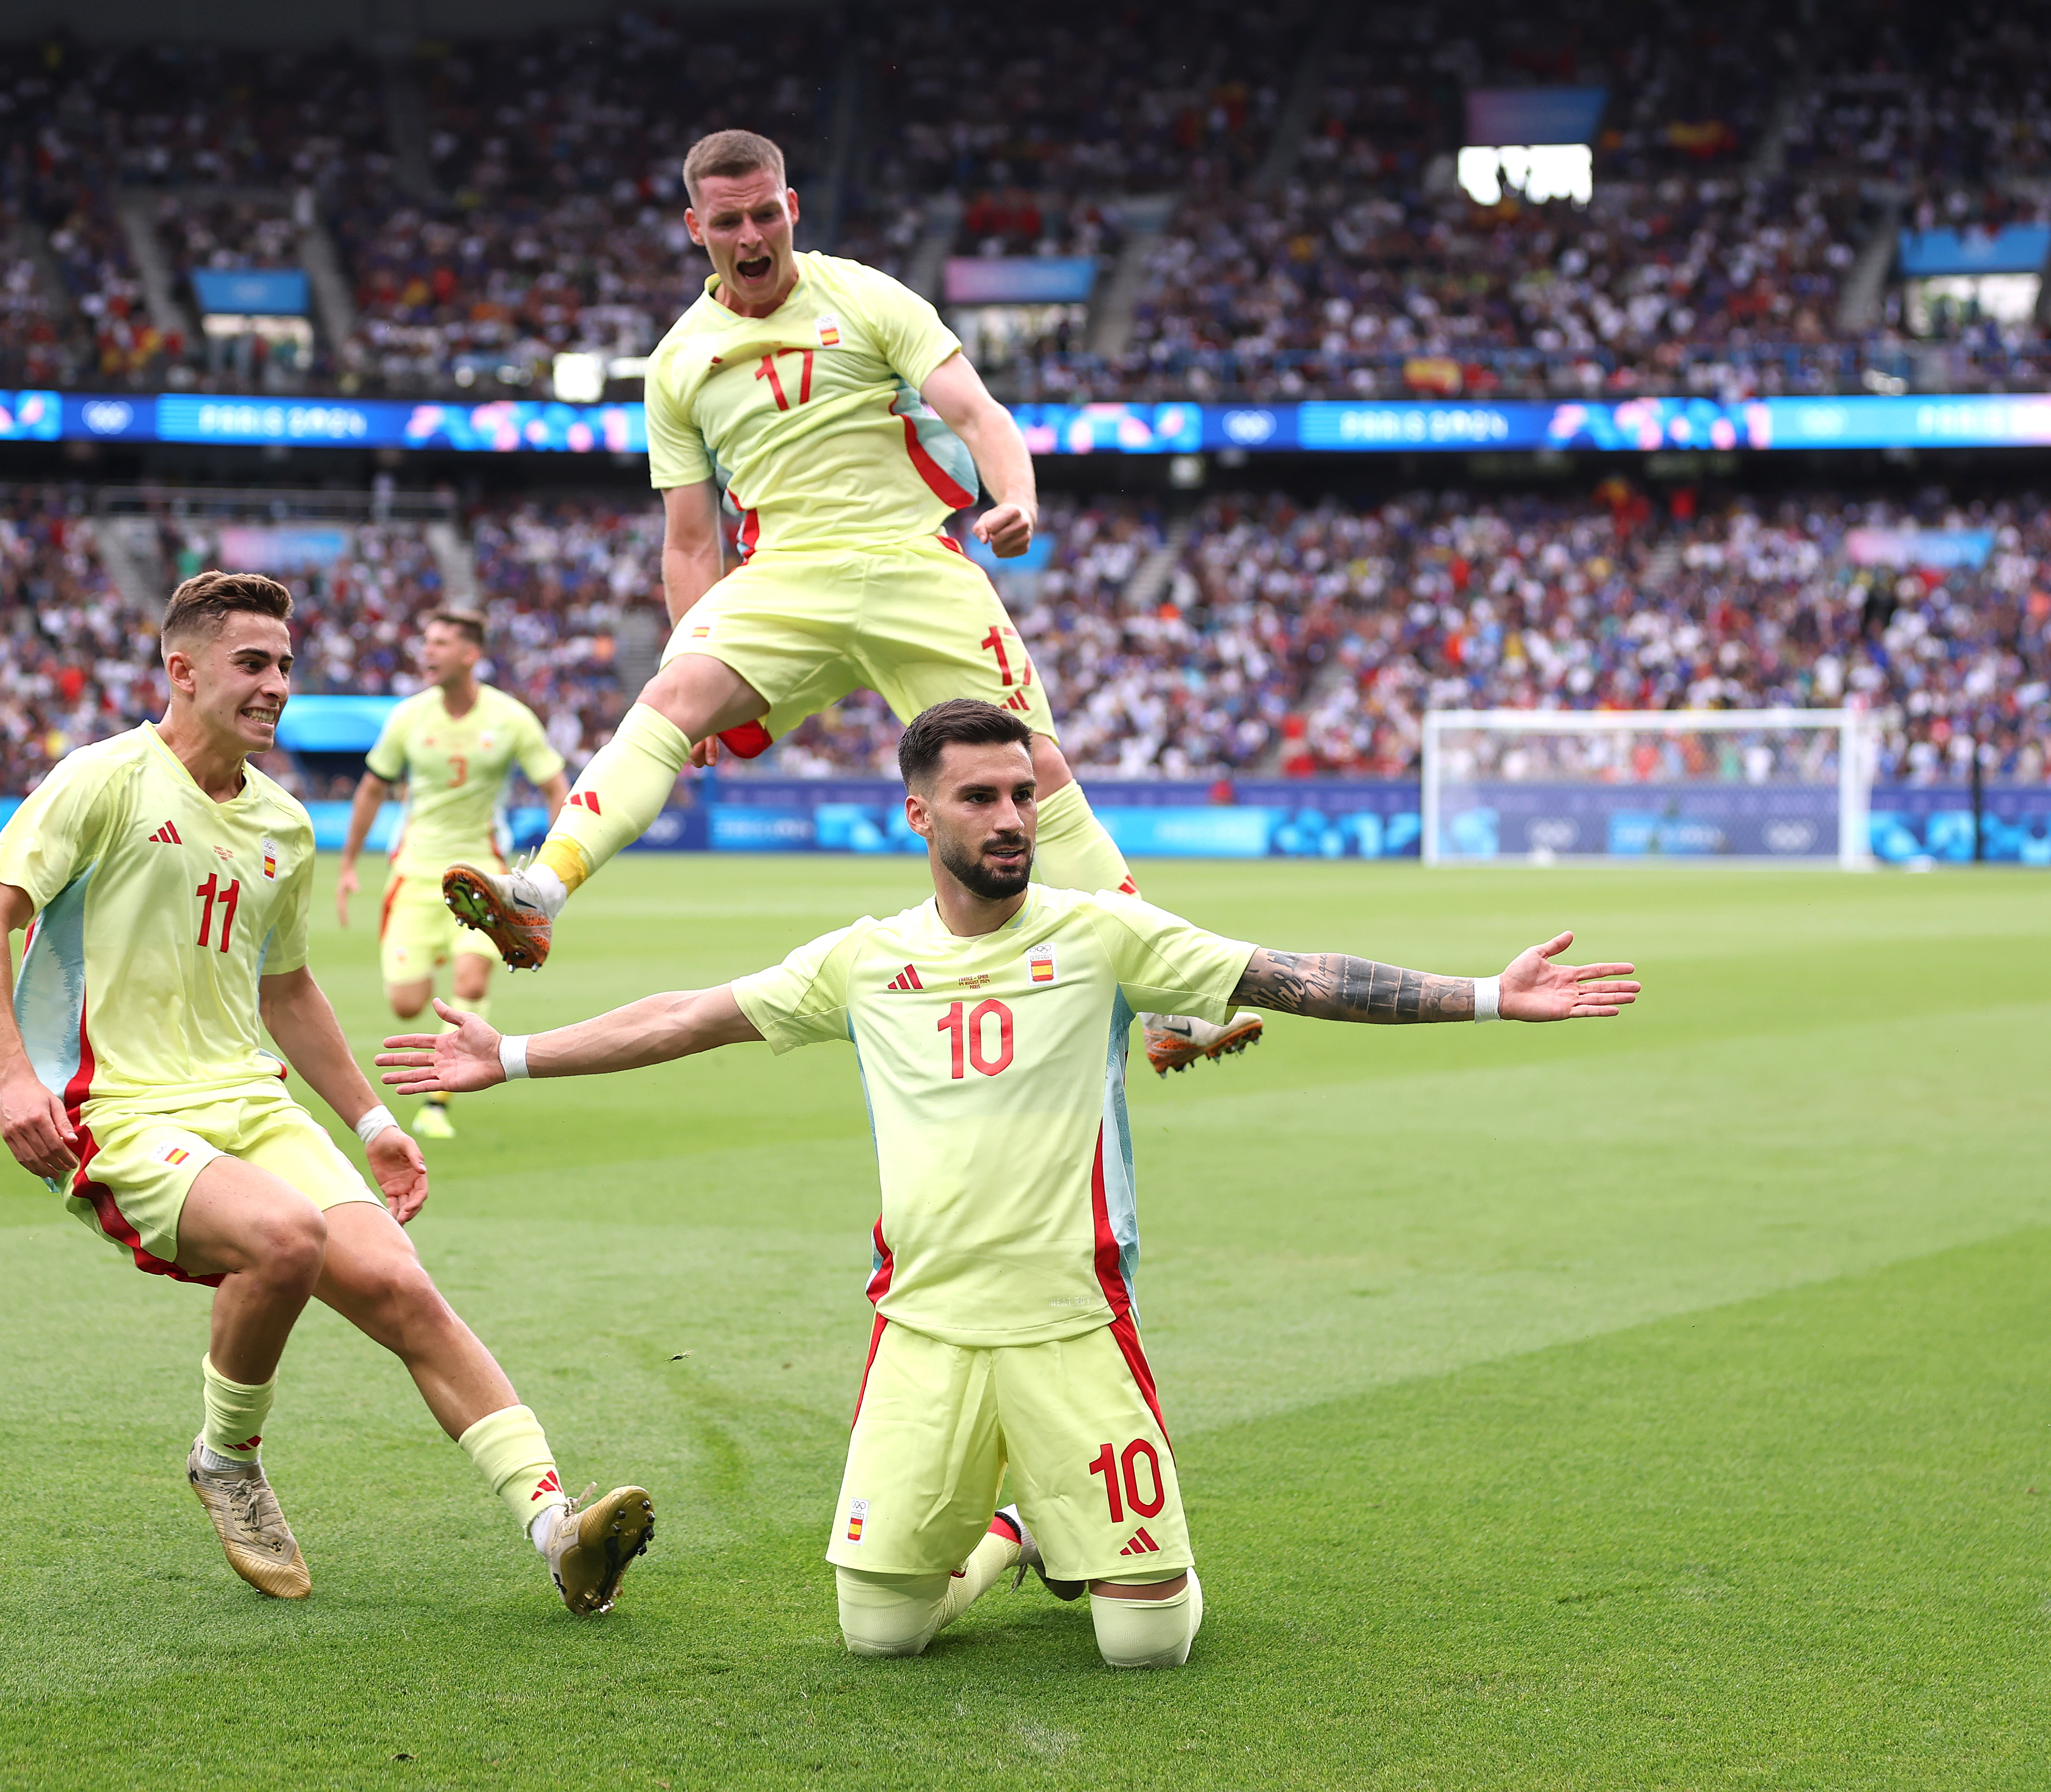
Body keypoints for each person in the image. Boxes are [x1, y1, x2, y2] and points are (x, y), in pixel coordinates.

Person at [385, 698, 1639, 1667]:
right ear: (919, 817)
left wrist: (1487, 993)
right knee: (881, 1636)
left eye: (1024, 794)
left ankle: (1062, 1523)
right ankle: (1013, 1532)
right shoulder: (864, 961)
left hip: (1069, 1323)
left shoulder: (1102, 935)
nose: (1010, 817)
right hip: (922, 1323)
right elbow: (689, 1015)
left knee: (1146, 1642)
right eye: (979, 796)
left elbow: (1288, 973)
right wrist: (504, 1052)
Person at [442, 128, 1254, 1078]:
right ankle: (540, 892)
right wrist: (692, 652)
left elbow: (976, 414)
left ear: (789, 210)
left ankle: (1179, 1002)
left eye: (763, 215)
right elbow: (691, 540)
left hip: (913, 563)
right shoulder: (677, 363)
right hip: (784, 577)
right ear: (694, 226)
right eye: (727, 221)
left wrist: (1016, 496)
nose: (750, 237)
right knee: (666, 703)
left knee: (1034, 768)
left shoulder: (865, 295)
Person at [0, 569, 654, 1610]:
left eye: (284, 664)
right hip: (119, 1111)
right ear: (180, 671)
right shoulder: (102, 780)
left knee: (403, 1289)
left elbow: (286, 989)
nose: (276, 684)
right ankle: (226, 1458)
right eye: (252, 664)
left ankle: (557, 1530)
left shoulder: (283, 822)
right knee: (285, 1237)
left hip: (251, 1101)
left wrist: (372, 1120)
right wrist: (14, 1080)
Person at [334, 612, 569, 1138]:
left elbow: (557, 785)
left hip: (484, 877)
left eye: (440, 642)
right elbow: (373, 788)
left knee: (471, 978)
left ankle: (439, 1100)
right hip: (414, 877)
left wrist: (555, 865)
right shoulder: (409, 717)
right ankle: (435, 950)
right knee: (406, 1003)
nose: (427, 651)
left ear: (470, 654)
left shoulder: (511, 718)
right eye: (425, 641)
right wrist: (348, 863)